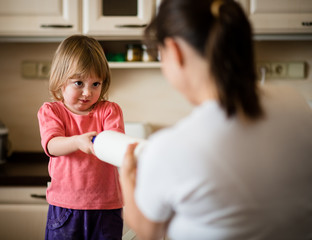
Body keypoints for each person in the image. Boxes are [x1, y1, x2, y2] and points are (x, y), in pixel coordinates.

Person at [120, 0, 312, 239]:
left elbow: (148, 231)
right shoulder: (296, 103)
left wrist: (127, 180)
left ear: (175, 51)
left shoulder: (171, 149)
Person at [38, 35, 124, 240]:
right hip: (66, 208)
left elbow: (116, 143)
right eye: (79, 83)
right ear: (60, 81)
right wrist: (77, 141)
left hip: (106, 206)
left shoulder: (109, 111)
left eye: (96, 84)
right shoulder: (52, 112)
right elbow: (51, 145)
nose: (87, 92)